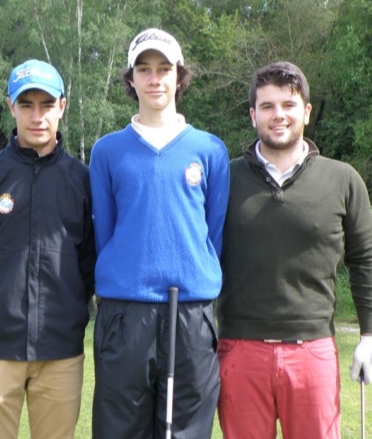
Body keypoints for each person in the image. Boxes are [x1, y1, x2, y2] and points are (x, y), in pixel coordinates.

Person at [216, 61, 372, 439]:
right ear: (252, 114)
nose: (279, 115)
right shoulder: (224, 179)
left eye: (289, 105)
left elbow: (365, 261)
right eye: (268, 106)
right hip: (240, 352)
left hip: (313, 352)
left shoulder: (343, 179)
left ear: (306, 112)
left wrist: (370, 335)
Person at [89, 28, 230, 439]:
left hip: (191, 312)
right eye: (144, 69)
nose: (155, 79)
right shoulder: (107, 151)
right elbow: (107, 232)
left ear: (179, 77)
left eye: (164, 69)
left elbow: (213, 234)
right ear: (130, 79)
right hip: (125, 314)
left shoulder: (209, 150)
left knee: (186, 430)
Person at [0, 59, 96, 439]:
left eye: (46, 105)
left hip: (60, 352)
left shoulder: (82, 181)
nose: (37, 116)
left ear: (62, 105)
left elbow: (91, 261)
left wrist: (71, 314)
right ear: (11, 107)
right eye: (26, 105)